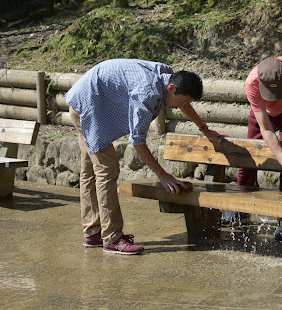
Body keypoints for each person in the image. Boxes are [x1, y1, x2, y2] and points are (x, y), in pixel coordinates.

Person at [66, 58, 223, 255]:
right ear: (171, 88)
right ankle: (113, 238)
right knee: (107, 169)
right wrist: (163, 175)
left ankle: (93, 233)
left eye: (187, 102)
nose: (180, 106)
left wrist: (204, 129)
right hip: (88, 106)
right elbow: (138, 141)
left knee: (90, 170)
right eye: (181, 101)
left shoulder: (166, 76)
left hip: (87, 100)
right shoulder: (147, 93)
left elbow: (183, 102)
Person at [222, 55, 282, 235]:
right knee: (249, 158)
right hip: (264, 115)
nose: (274, 99)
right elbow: (266, 129)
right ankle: (242, 209)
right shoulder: (252, 82)